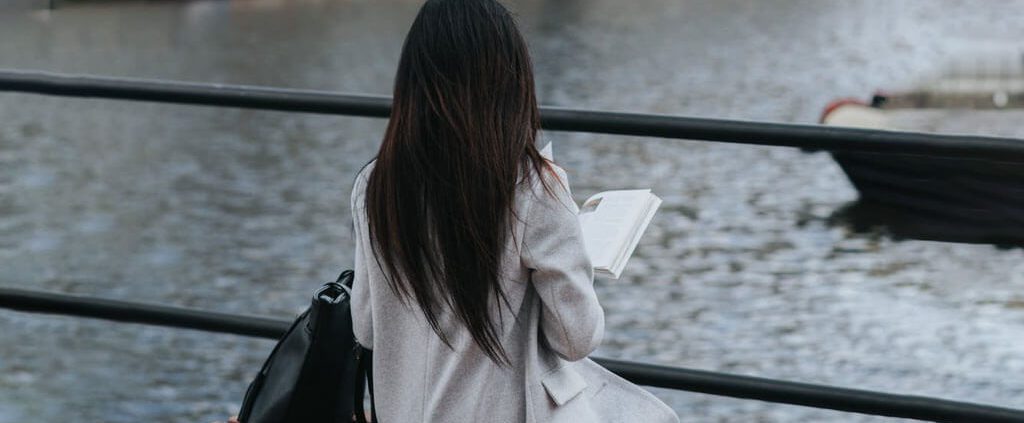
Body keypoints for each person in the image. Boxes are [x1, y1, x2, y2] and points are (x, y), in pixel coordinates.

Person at [344, 1, 680, 422]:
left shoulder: (374, 186)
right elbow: (577, 338)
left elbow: (367, 327)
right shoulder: (532, 187)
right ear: (510, 83)